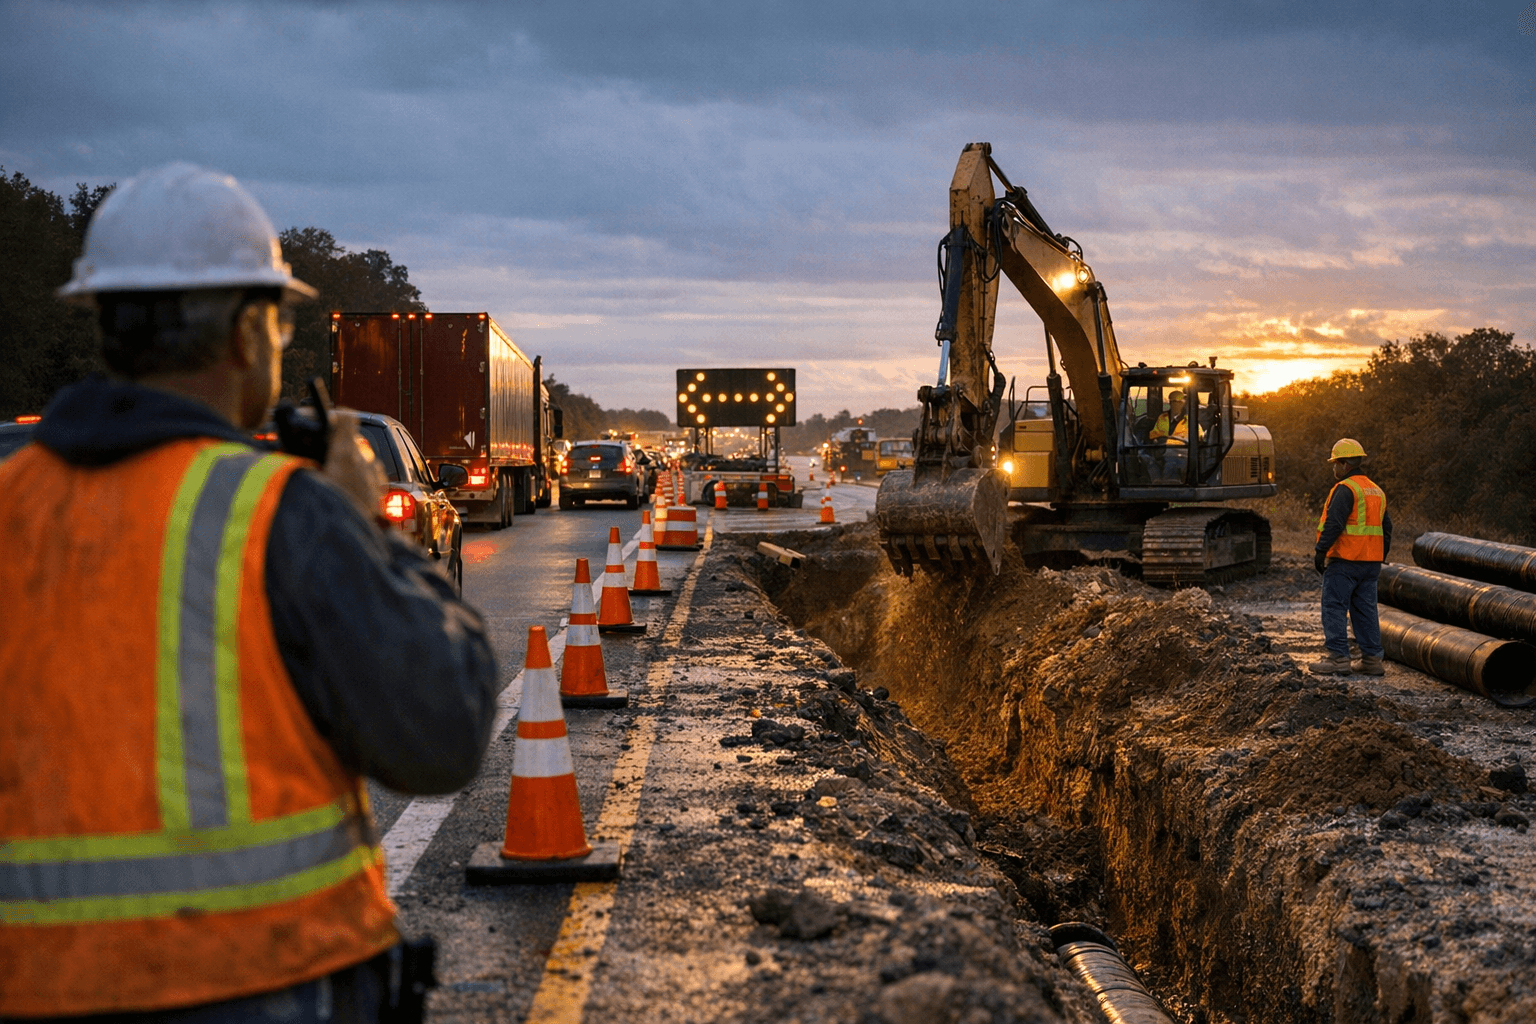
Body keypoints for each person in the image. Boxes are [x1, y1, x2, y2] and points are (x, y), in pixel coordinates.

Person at [0, 164, 498, 1021]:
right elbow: (440, 734)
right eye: (278, 319)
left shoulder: (13, 502)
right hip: (260, 980)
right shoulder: (277, 514)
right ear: (245, 335)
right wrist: (371, 531)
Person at [1310, 438, 1392, 676]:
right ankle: (1372, 660)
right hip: (1370, 564)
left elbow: (1335, 523)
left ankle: (1338, 659)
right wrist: (1379, 555)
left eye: (1335, 463)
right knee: (1366, 611)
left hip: (1345, 561)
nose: (1334, 468)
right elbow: (1387, 528)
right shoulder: (1376, 491)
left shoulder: (1346, 489)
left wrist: (1320, 551)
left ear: (1344, 464)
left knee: (1334, 607)